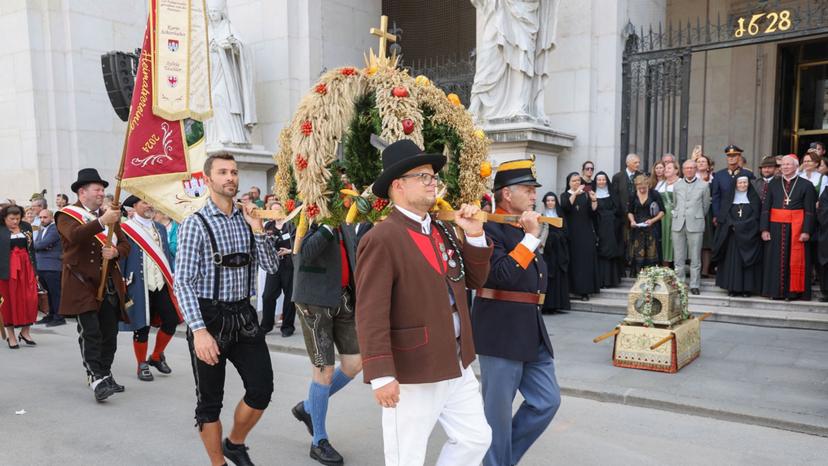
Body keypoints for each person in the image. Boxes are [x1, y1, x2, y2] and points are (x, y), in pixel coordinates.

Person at [356, 139, 493, 466]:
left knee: (476, 439)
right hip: (413, 367)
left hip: (456, 362)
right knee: (407, 457)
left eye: (434, 177)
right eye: (424, 177)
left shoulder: (443, 229)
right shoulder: (381, 238)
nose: (433, 183)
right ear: (398, 185)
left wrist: (474, 236)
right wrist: (380, 373)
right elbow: (370, 311)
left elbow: (474, 281)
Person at [174, 154, 280, 466]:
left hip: (244, 316)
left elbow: (272, 266)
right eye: (222, 172)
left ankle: (235, 443)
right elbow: (183, 282)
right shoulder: (195, 223)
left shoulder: (248, 219)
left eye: (233, 172)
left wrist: (258, 229)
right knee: (209, 404)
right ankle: (218, 463)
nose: (230, 177)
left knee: (261, 390)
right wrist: (199, 332)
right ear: (208, 179)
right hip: (209, 318)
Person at [473, 159, 560, 466]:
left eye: (534, 189)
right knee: (496, 416)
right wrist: (532, 238)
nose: (534, 195)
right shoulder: (487, 228)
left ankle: (501, 460)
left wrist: (530, 234)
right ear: (506, 194)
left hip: (530, 329)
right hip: (500, 330)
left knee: (547, 401)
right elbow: (500, 275)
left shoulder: (522, 227)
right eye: (528, 189)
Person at [290, 217, 363, 465]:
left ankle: (310, 406)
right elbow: (305, 253)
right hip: (313, 303)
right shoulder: (303, 214)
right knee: (324, 371)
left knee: (355, 364)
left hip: (343, 299)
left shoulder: (347, 216)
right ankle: (318, 441)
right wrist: (328, 224)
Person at [55, 169, 130, 401]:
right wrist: (101, 222)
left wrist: (115, 251)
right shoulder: (66, 215)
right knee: (91, 332)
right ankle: (96, 377)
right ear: (82, 192)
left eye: (102, 189)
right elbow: (75, 236)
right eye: (97, 189)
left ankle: (105, 372)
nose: (101, 193)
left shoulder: (109, 215)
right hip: (81, 283)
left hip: (107, 282)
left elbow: (126, 245)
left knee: (110, 333)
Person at [119, 196, 182, 381]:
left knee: (171, 320)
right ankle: (141, 364)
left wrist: (171, 277)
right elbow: (121, 257)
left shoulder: (160, 228)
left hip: (160, 284)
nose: (150, 206)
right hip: (138, 284)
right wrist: (122, 281)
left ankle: (156, 356)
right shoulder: (125, 229)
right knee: (142, 326)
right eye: (145, 202)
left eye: (151, 202)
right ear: (135, 206)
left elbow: (166, 257)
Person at [761, 155, 816, 301]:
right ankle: (775, 292)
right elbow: (766, 208)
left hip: (797, 228)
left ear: (796, 166)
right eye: (783, 165)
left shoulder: (806, 185)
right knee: (775, 260)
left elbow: (810, 211)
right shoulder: (773, 184)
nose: (784, 167)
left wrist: (806, 231)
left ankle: (793, 292)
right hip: (775, 227)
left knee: (794, 260)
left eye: (788, 164)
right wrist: (764, 229)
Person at [713, 176, 762, 297]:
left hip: (749, 236)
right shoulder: (729, 198)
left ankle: (747, 289)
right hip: (732, 236)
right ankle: (732, 288)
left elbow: (756, 217)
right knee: (732, 262)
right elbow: (724, 216)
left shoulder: (755, 199)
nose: (743, 185)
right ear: (735, 184)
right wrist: (733, 225)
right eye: (740, 182)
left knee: (747, 262)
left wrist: (742, 226)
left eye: (745, 182)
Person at [1, 205, 38, 349]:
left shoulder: (26, 226)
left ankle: (25, 331)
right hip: (7, 270)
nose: (15, 222)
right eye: (12, 219)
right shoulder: (1, 229)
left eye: (17, 218)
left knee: (30, 299)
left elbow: (32, 249)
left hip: (27, 268)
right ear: (4, 218)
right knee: (9, 302)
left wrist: (35, 271)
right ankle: (11, 336)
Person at [672, 160, 711, 295]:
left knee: (695, 257)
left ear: (696, 170)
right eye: (686, 168)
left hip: (696, 223)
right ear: (682, 170)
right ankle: (680, 284)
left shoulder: (704, 185)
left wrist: (696, 215)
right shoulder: (677, 185)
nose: (689, 170)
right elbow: (674, 203)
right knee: (678, 257)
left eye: (692, 168)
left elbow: (705, 206)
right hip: (678, 223)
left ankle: (694, 284)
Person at [560, 172, 600, 301]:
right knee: (573, 261)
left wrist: (594, 200)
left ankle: (584, 291)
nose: (576, 183)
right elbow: (565, 207)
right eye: (573, 181)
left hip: (586, 232)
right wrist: (575, 194)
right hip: (571, 233)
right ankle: (572, 290)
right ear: (569, 183)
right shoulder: (565, 195)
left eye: (578, 180)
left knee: (585, 262)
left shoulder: (586, 195)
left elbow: (593, 212)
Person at [260, 203, 296, 336]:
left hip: (289, 265)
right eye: (272, 210)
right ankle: (266, 325)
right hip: (274, 266)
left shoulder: (291, 224)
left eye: (278, 209)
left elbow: (300, 243)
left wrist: (289, 251)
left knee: (289, 297)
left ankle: (287, 327)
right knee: (268, 296)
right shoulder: (268, 226)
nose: (275, 212)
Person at [627, 175, 665, 275]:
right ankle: (639, 274)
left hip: (652, 227)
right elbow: (630, 211)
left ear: (648, 184)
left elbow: (662, 212)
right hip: (638, 227)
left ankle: (652, 274)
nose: (642, 190)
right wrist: (632, 221)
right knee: (638, 251)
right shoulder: (633, 195)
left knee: (652, 251)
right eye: (640, 188)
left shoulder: (654, 194)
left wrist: (652, 220)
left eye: (644, 188)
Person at [33, 209, 65, 327]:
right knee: (48, 293)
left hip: (53, 267)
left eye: (45, 217)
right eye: (40, 217)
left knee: (55, 293)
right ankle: (51, 315)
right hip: (42, 265)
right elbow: (38, 244)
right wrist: (40, 246)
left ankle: (59, 316)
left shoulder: (55, 229)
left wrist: (40, 246)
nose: (42, 220)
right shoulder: (42, 229)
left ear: (51, 218)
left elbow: (40, 244)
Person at [540, 192, 570, 313]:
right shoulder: (541, 215)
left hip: (558, 250)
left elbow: (566, 231)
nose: (550, 203)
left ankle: (556, 304)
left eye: (552, 200)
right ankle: (546, 305)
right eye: (548, 200)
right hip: (546, 250)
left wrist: (557, 237)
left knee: (558, 276)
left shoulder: (560, 214)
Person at [711, 145, 754, 225]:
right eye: (729, 156)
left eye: (734, 156)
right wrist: (716, 214)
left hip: (742, 213)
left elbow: (752, 195)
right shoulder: (719, 175)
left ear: (739, 157)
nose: (731, 158)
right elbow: (716, 196)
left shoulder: (748, 174)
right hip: (724, 214)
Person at [593, 172, 622, 287]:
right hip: (599, 226)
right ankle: (601, 281)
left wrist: (608, 216)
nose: (601, 182)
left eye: (603, 179)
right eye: (599, 180)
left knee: (611, 252)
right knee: (600, 251)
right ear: (596, 181)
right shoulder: (593, 195)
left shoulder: (612, 193)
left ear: (607, 181)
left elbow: (617, 209)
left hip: (612, 227)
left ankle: (611, 280)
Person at [658, 161, 680, 266]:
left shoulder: (681, 182)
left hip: (676, 216)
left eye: (669, 168)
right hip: (662, 216)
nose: (666, 170)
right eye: (665, 168)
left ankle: (676, 267)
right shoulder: (660, 183)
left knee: (675, 239)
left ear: (676, 170)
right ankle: (665, 267)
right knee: (663, 239)